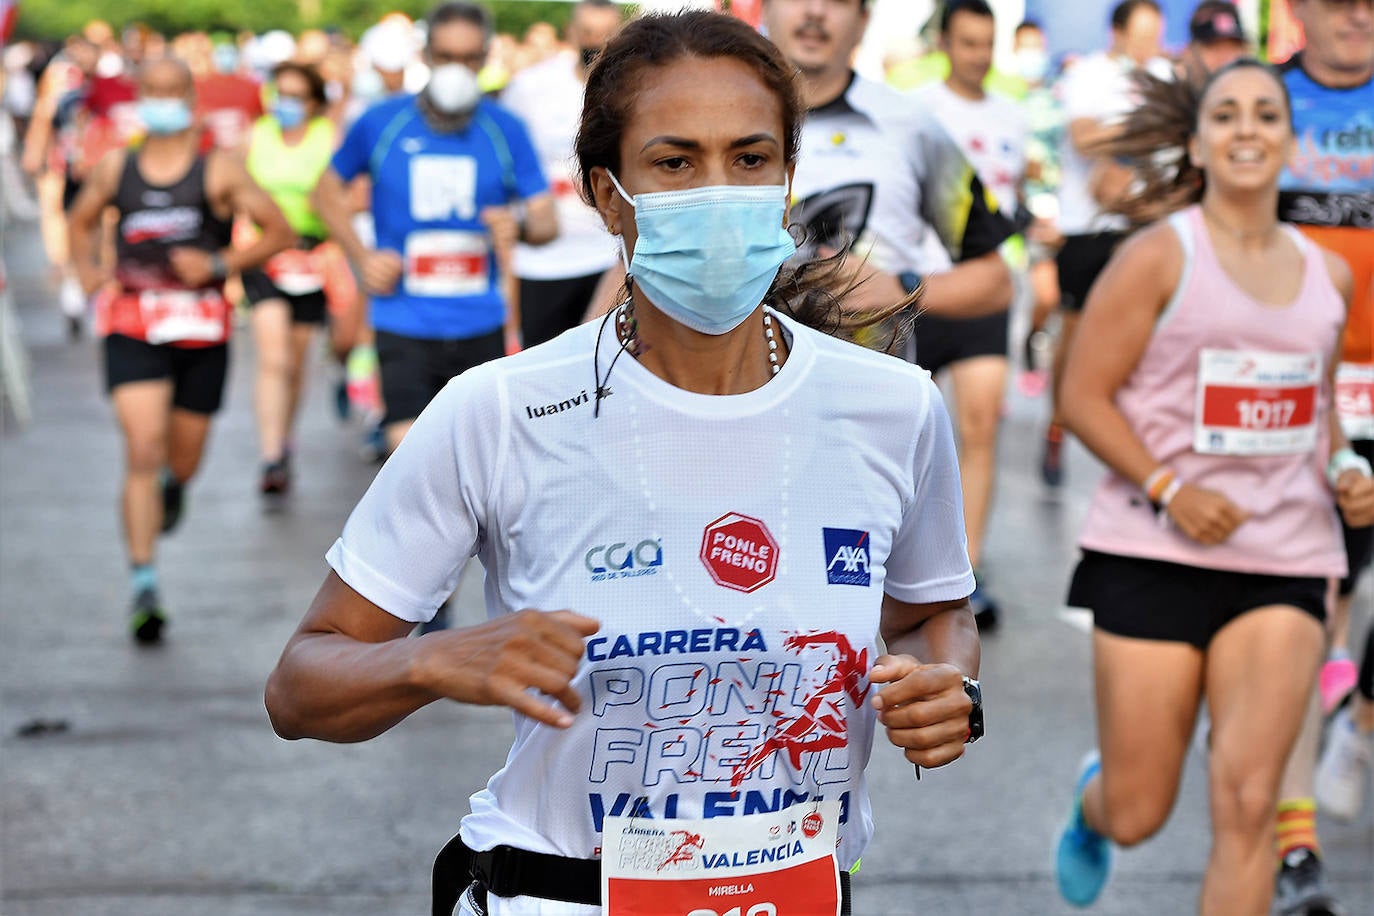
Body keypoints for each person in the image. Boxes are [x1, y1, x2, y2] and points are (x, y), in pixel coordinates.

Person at [266, 11, 983, 914]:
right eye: (676, 163)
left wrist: (948, 686)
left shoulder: (893, 406)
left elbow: (933, 617)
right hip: (557, 895)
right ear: (609, 197)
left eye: (751, 159)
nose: (718, 190)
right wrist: (438, 660)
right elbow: (300, 687)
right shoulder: (501, 410)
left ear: (789, 182)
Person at [1050, 60, 1374, 913]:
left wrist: (1347, 470)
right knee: (1138, 811)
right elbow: (1079, 395)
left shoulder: (1327, 277)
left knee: (1246, 808)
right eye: (1226, 114)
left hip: (1285, 555)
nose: (1247, 129)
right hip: (1152, 549)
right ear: (1197, 142)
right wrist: (1168, 486)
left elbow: (1318, 412)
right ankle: (1096, 804)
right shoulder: (1160, 255)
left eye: (1266, 114)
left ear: (1289, 140)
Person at [759, 0, 1014, 630]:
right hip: (731, 422)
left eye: (838, 0)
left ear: (864, 21)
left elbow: (993, 279)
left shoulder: (913, 127)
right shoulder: (714, 111)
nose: (815, 12)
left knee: (862, 646)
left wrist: (901, 285)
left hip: (866, 434)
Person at [67, 56, 291, 644]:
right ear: (140, 98)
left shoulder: (217, 170)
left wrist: (219, 263)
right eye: (151, 92)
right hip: (133, 327)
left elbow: (279, 231)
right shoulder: (118, 167)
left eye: (172, 92)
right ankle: (144, 582)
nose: (161, 102)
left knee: (181, 461)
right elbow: (80, 218)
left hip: (202, 334)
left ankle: (174, 488)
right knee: (142, 449)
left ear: (190, 99)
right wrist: (89, 273)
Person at [310, 1, 556, 459]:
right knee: (406, 448)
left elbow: (545, 220)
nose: (456, 70)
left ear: (486, 58)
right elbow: (324, 193)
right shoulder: (382, 122)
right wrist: (363, 259)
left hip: (480, 319)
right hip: (403, 316)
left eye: (469, 59)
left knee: (476, 461)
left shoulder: (506, 129)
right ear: (425, 56)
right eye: (445, 58)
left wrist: (516, 225)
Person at [1270, 0, 1374, 910]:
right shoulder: (1264, 101)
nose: (1357, 13)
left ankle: (1364, 715)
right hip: (1288, 384)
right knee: (1309, 608)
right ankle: (1294, 839)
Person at [1041, 0, 1169, 488]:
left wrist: (1119, 139)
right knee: (1073, 339)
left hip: (1143, 226)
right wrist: (1144, 130)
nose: (1149, 46)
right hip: (1086, 227)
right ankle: (1058, 426)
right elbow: (1082, 139)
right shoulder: (1089, 74)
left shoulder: (1163, 76)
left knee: (1148, 344)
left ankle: (1138, 444)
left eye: (1155, 35)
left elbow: (1173, 140)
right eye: (1141, 35)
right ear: (1117, 32)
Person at [500, 0, 622, 348]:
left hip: (606, 257)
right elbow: (505, 159)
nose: (595, 45)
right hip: (543, 262)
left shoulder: (629, 91)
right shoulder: (531, 87)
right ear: (571, 33)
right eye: (587, 35)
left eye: (605, 37)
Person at [242, 62, 338, 498]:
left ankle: (284, 438)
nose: (285, 104)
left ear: (314, 103)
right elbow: (238, 195)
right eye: (280, 93)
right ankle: (269, 455)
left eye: (296, 96)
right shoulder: (257, 135)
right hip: (264, 255)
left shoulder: (328, 139)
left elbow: (342, 198)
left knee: (296, 364)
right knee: (274, 358)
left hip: (312, 256)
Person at [1180, 0, 1250, 84]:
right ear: (1189, 53)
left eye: (1234, 48)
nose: (1226, 59)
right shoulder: (1166, 95)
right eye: (1215, 48)